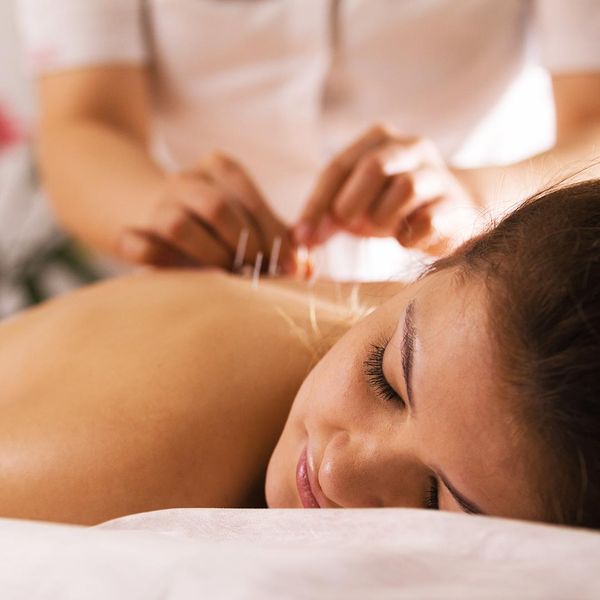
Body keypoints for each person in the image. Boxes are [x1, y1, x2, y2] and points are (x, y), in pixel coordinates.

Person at [0, 178, 598, 528]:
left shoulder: (445, 316)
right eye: (384, 378)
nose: (338, 471)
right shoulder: (149, 447)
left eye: (432, 501)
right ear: (443, 261)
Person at [15, 0, 600, 277]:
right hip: (214, 295)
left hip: (476, 276)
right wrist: (157, 208)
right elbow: (84, 122)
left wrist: (475, 199)